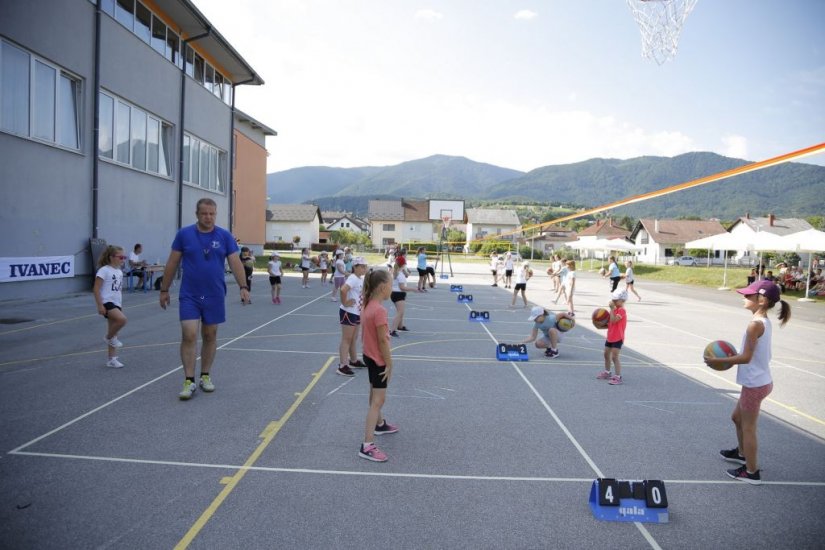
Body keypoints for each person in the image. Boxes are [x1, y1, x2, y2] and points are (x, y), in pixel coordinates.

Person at [159, 198, 250, 400]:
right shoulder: (184, 235)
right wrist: (164, 289)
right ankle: (189, 380)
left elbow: (235, 262)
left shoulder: (224, 236)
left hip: (214, 294)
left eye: (212, 214)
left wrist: (243, 286)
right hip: (189, 294)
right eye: (204, 213)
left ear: (215, 214)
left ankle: (205, 375)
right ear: (197, 214)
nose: (208, 217)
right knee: (189, 334)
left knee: (210, 335)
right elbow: (172, 262)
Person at [704, 280, 790, 484]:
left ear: (762, 300)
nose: (744, 297)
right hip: (757, 381)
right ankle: (742, 453)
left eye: (748, 295)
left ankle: (752, 472)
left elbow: (745, 357)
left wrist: (718, 360)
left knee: (749, 427)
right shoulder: (762, 321)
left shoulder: (755, 325)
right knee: (737, 418)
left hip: (755, 384)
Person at [358, 268, 397, 462]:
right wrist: (389, 363)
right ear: (382, 287)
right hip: (377, 359)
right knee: (377, 401)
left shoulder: (368, 305)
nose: (392, 288)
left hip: (369, 356)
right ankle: (367, 445)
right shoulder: (379, 310)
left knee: (374, 393)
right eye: (391, 284)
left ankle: (380, 424)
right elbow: (383, 341)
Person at [94, 245, 128, 368]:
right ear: (112, 257)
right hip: (106, 301)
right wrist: (100, 305)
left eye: (124, 257)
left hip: (116, 302)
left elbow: (117, 290)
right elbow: (96, 289)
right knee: (122, 320)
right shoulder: (104, 270)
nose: (123, 259)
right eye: (121, 257)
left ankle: (112, 360)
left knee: (115, 333)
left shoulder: (119, 272)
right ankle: (107, 337)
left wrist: (120, 304)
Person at [337, 256, 369, 377]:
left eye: (365, 267)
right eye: (361, 267)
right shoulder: (353, 278)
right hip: (348, 312)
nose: (364, 269)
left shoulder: (359, 279)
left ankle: (353, 361)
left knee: (353, 338)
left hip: (356, 312)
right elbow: (343, 290)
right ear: (355, 267)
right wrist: (345, 302)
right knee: (346, 339)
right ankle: (342, 365)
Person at [596, 289, 628, 385]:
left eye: (616, 300)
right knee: (606, 354)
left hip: (618, 337)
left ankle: (618, 377)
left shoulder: (621, 311)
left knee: (614, 357)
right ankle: (607, 372)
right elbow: (611, 323)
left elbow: (614, 320)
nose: (613, 302)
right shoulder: (614, 310)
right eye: (613, 300)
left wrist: (612, 309)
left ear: (622, 300)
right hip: (610, 336)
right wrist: (600, 325)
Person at [389, 261, 410, 336]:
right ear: (403, 265)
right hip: (399, 294)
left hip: (395, 293)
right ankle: (392, 330)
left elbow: (407, 275)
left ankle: (400, 326)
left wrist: (405, 271)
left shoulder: (396, 272)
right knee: (400, 312)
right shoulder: (400, 274)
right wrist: (413, 289)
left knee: (401, 311)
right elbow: (402, 287)